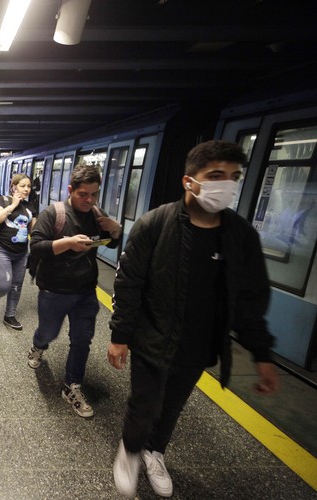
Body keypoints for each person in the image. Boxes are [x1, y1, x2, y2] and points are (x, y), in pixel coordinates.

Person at [108, 140, 279, 498]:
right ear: (189, 181)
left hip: (199, 343)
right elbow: (129, 283)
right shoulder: (155, 224)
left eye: (234, 177)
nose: (226, 184)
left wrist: (261, 353)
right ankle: (131, 450)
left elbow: (250, 298)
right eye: (215, 175)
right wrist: (120, 335)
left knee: (173, 404)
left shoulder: (241, 236)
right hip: (152, 335)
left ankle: (154, 452)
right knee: (144, 402)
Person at [27, 162, 122, 417]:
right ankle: (38, 345)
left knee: (82, 340)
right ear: (70, 190)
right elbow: (36, 247)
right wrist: (67, 243)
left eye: (94, 194)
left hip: (86, 292)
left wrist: (115, 231)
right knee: (48, 332)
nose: (89, 200)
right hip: (54, 291)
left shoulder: (96, 213)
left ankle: (72, 385)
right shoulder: (54, 214)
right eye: (83, 194)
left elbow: (110, 244)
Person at [0, 174, 36, 330]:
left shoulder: (30, 206)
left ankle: (9, 316)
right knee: (3, 285)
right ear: (13, 186)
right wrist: (13, 205)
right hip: (2, 251)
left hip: (21, 253)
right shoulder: (2, 200)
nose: (26, 189)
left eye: (28, 186)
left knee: (16, 286)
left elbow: (34, 230)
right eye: (22, 186)